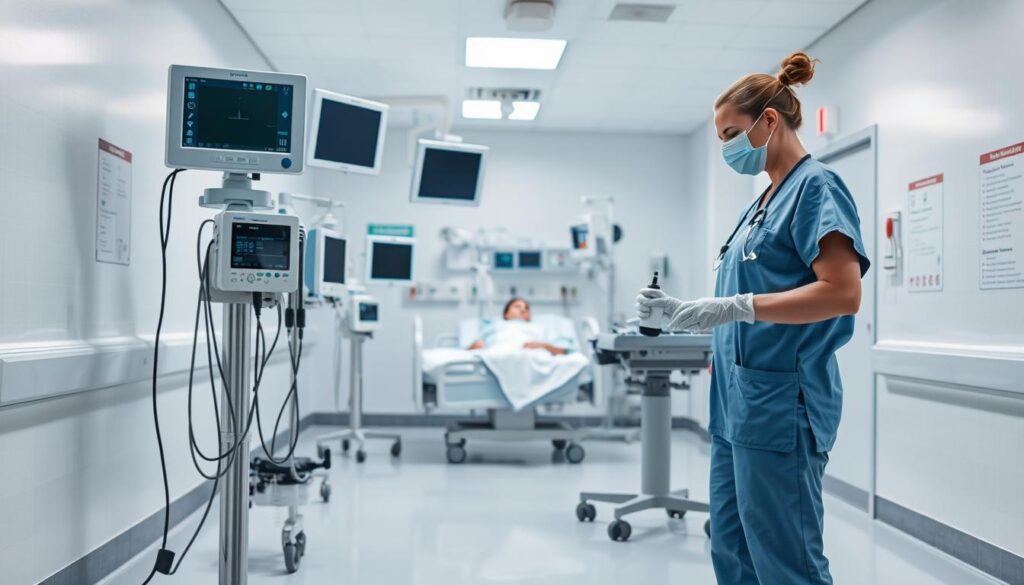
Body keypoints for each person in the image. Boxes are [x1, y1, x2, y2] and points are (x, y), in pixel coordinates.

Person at [636, 51, 869, 585]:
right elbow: (749, 287)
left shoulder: (816, 187)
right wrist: (679, 312)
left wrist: (736, 307)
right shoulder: (762, 200)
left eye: (729, 133)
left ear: (769, 120)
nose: (727, 148)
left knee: (785, 560)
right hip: (735, 407)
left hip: (781, 407)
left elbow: (841, 292)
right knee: (733, 549)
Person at [467, 297, 569, 355]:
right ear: (506, 314)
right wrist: (474, 347)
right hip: (497, 354)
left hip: (532, 357)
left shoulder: (539, 328)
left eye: (526, 308)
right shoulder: (495, 326)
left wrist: (544, 346)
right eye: (517, 306)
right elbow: (471, 350)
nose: (523, 310)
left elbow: (562, 352)